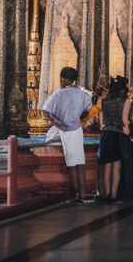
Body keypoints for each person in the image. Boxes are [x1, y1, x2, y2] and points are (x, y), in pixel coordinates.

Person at [42, 67, 93, 203]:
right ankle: (82, 193)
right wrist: (80, 119)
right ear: (74, 80)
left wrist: (58, 123)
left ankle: (75, 193)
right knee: (79, 161)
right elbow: (90, 108)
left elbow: (47, 112)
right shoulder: (82, 94)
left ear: (63, 79)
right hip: (76, 129)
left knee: (70, 162)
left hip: (63, 130)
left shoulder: (57, 94)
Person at [97, 76, 132, 203]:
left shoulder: (103, 101)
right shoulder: (126, 101)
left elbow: (102, 122)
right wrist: (127, 129)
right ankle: (113, 196)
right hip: (118, 133)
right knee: (116, 166)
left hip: (106, 134)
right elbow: (124, 120)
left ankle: (105, 195)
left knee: (106, 166)